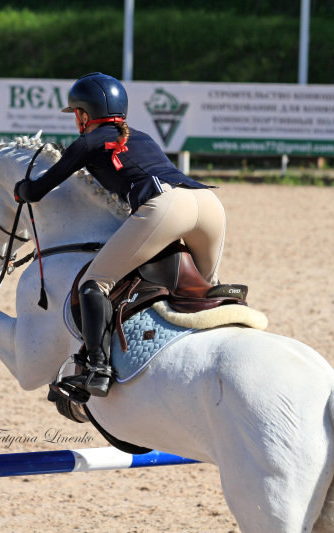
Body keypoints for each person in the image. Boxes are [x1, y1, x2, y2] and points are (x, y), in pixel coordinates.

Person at [14, 72, 226, 399]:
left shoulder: (87, 142)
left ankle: (98, 368)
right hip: (208, 204)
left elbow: (40, 188)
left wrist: (21, 189)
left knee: (93, 283)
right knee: (201, 291)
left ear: (84, 115)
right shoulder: (141, 137)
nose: (76, 121)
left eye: (76, 115)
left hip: (168, 206)